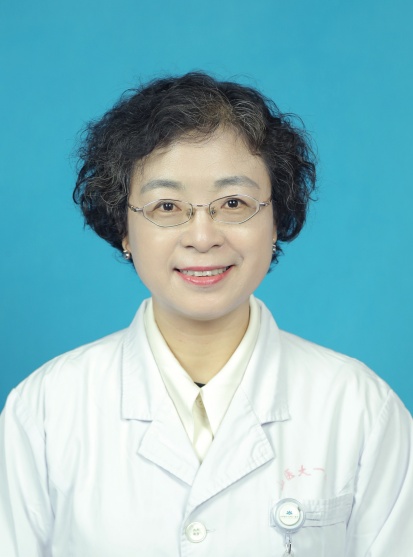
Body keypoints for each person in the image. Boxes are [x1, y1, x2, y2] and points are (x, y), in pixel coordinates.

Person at [0, 72, 412, 557]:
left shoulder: (360, 409)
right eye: (167, 206)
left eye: (233, 203)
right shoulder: (44, 412)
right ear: (123, 227)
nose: (202, 237)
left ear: (276, 219)